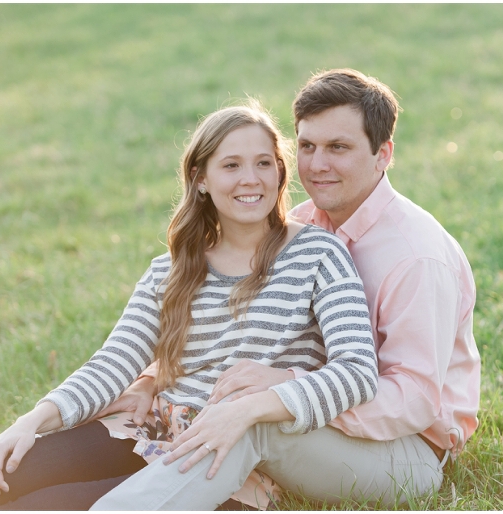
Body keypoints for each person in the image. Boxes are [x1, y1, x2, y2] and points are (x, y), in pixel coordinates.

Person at [0, 102, 379, 510]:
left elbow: (357, 371)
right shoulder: (170, 269)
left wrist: (264, 400)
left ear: (280, 173)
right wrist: (28, 423)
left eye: (264, 163)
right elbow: (115, 361)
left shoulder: (319, 253)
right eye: (231, 165)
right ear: (201, 179)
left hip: (229, 460)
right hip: (153, 430)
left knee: (41, 508)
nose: (252, 179)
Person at [92, 68, 480, 510]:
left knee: (251, 420)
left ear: (383, 154)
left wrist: (284, 392)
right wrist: (150, 379)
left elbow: (412, 403)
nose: (316, 165)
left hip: (406, 452)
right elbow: (234, 327)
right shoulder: (306, 224)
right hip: (313, 421)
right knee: (233, 417)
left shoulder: (415, 257)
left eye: (339, 148)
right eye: (308, 146)